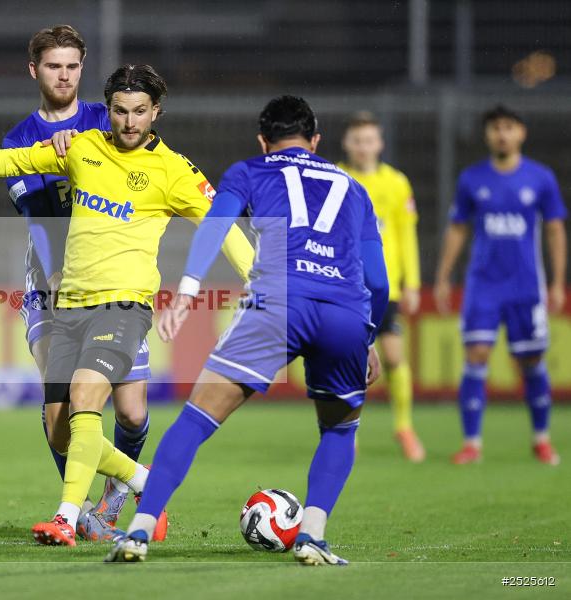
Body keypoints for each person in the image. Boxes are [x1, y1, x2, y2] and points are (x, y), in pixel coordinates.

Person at [0, 64, 254, 546]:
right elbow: (17, 163)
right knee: (59, 430)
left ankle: (66, 518)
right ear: (108, 110)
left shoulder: (175, 170)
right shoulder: (84, 148)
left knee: (87, 396)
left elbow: (222, 228)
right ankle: (143, 481)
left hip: (123, 306)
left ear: (156, 112)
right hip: (67, 306)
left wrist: (263, 284)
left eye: (140, 112)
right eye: (120, 111)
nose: (130, 122)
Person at [107, 95, 388, 565]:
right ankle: (313, 537)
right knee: (340, 429)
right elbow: (377, 279)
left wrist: (188, 291)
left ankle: (138, 529)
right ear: (316, 141)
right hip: (345, 311)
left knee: (197, 419)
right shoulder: (355, 189)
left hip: (278, 303)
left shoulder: (250, 171)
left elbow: (215, 226)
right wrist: (369, 334)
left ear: (263, 141)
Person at [2, 26, 152, 535]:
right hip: (49, 286)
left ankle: (121, 489)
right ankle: (83, 512)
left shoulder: (107, 119)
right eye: (52, 66)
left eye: (71, 66)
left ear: (82, 67)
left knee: (131, 413)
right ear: (34, 70)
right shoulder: (19, 140)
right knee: (58, 420)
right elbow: (38, 220)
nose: (63, 75)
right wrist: (58, 273)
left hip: (112, 280)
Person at [434, 105, 565, 466]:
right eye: (495, 128)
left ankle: (541, 439)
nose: (502, 134)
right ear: (487, 135)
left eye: (508, 127)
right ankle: (471, 443)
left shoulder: (540, 178)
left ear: (521, 133)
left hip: (526, 286)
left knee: (531, 360)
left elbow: (554, 228)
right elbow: (458, 228)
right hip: (483, 286)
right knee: (476, 355)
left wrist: (556, 281)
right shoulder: (472, 179)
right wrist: (444, 277)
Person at [339, 112, 424, 462]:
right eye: (358, 140)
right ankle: (347, 431)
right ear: (348, 143)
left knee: (392, 357)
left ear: (380, 143)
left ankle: (403, 427)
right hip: (345, 284)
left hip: (384, 288)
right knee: (347, 360)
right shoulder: (336, 177)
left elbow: (406, 234)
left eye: (369, 140)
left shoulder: (396, 183)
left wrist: (414, 283)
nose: (363, 146)